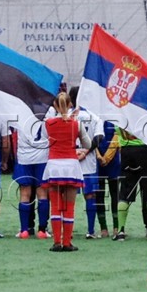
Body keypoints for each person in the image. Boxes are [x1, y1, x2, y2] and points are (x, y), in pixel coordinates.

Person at [40, 91, 89, 252]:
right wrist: (77, 150)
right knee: (69, 206)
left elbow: (45, 140)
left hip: (54, 165)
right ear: (70, 105)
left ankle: (56, 242)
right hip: (71, 165)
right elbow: (87, 144)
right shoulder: (77, 123)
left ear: (55, 105)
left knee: (55, 205)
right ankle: (67, 242)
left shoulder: (48, 123)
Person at [13, 113, 52, 238]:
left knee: (25, 193)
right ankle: (42, 230)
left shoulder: (19, 108)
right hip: (42, 156)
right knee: (42, 193)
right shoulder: (48, 110)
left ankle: (24, 230)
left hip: (25, 156)